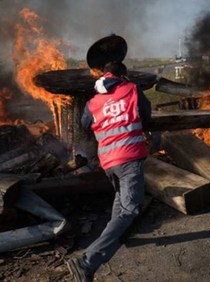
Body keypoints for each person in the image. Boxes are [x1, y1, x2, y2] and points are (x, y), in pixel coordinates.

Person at [66, 61, 151, 282]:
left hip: (108, 162)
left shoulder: (93, 102)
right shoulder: (132, 89)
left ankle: (118, 237)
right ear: (124, 75)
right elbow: (146, 115)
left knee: (119, 199)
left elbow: (85, 123)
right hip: (130, 158)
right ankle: (87, 262)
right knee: (130, 210)